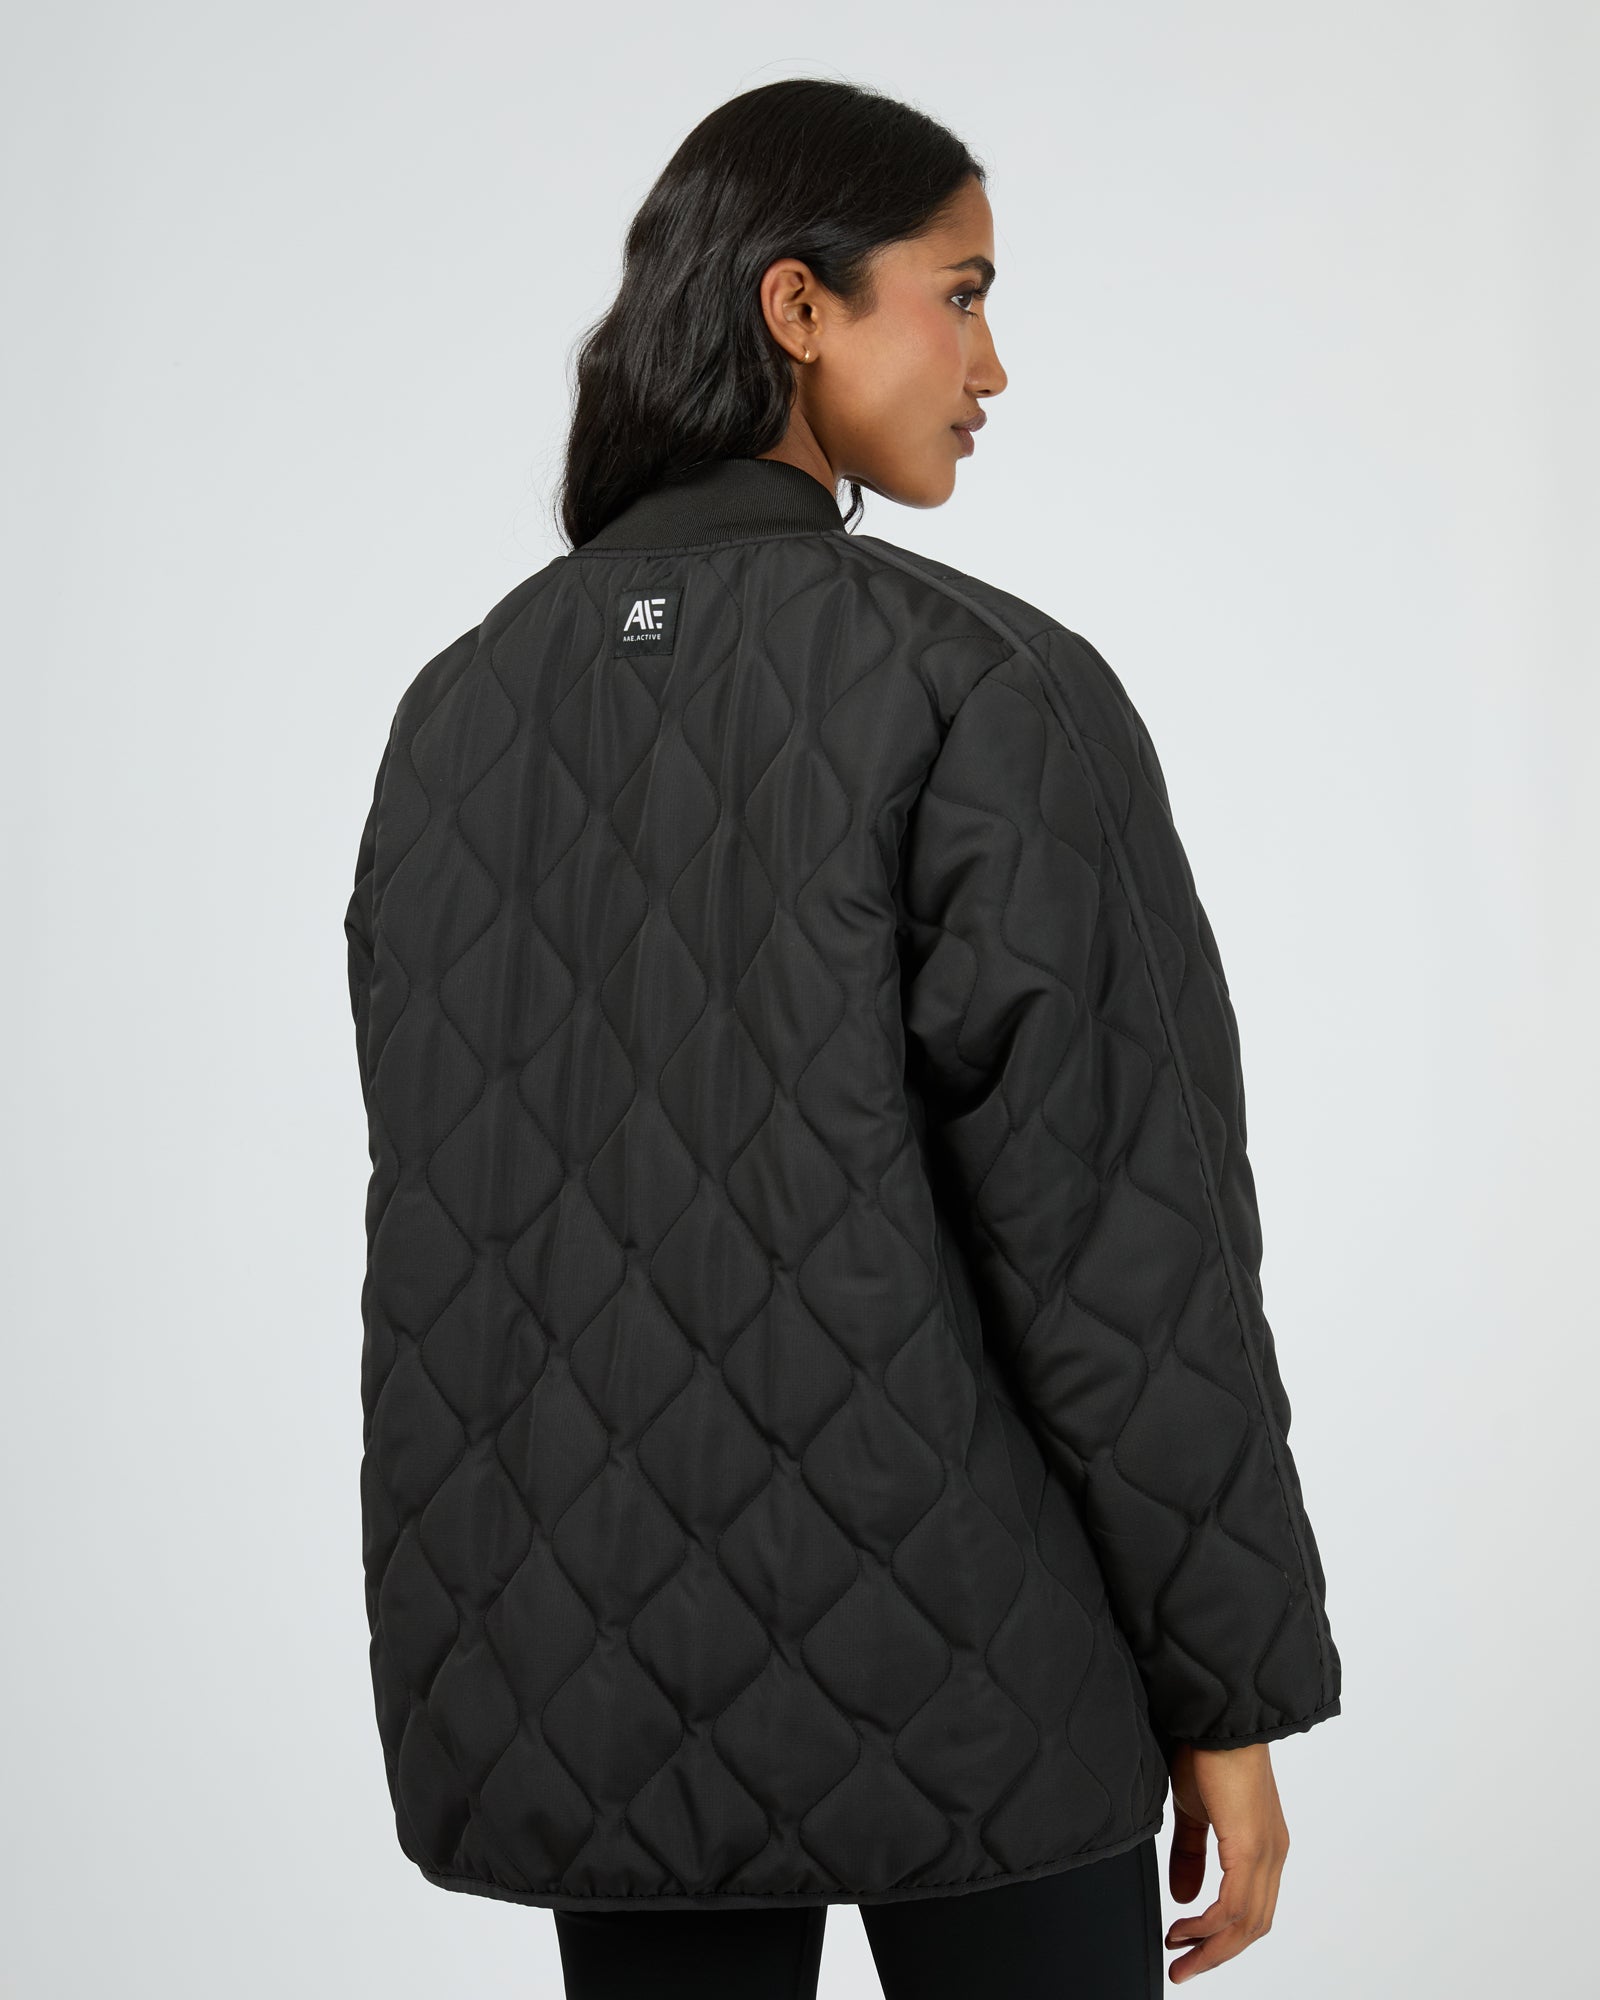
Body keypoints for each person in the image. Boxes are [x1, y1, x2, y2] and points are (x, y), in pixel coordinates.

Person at [343, 77, 1342, 1998]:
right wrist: (1228, 1688)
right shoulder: (982, 686)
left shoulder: (458, 714)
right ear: (798, 308)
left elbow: (459, 1237)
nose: (993, 365)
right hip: (977, 1678)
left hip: (590, 1685)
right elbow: (1125, 1245)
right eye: (960, 295)